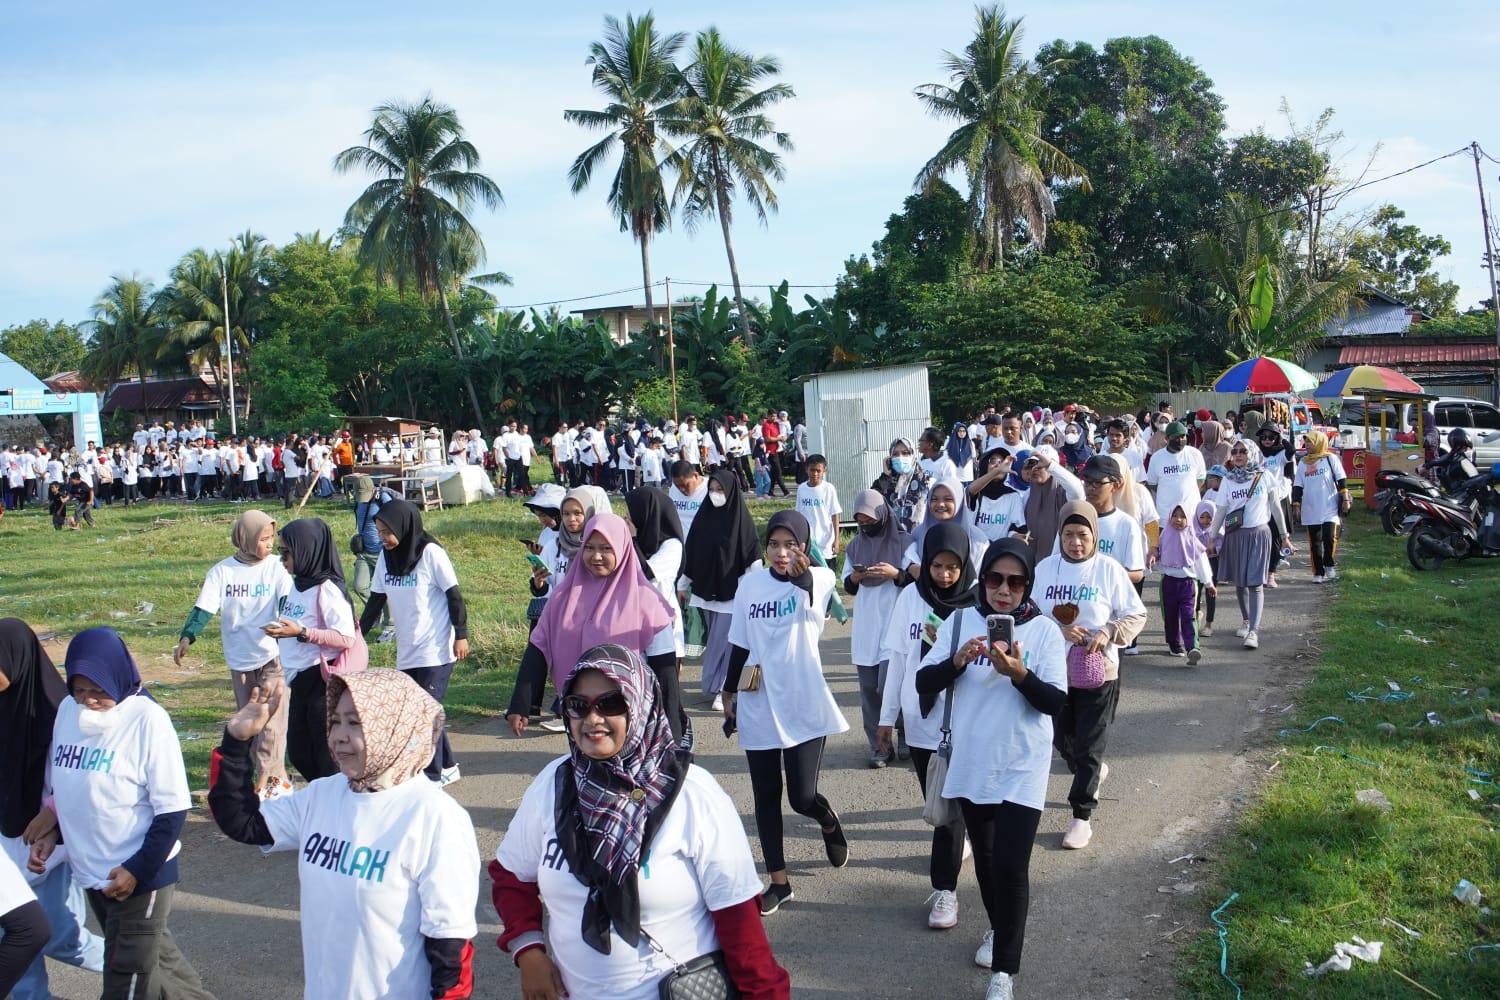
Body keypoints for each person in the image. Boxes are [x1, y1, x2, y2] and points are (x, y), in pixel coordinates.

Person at [492, 645, 790, 999]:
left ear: (641, 705)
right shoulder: (554, 785)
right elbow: (511, 876)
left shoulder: (692, 794)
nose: (592, 719)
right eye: (578, 705)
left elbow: (742, 928)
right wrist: (529, 949)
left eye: (611, 703)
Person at [209, 670, 480, 999]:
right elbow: (241, 820)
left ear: (394, 726)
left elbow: (450, 944)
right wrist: (237, 742)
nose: (338, 735)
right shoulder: (323, 794)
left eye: (355, 722)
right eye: (335, 721)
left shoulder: (436, 817)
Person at [914, 538, 1066, 999]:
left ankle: (1004, 974)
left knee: (1012, 866)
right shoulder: (960, 622)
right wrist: (957, 661)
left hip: (1024, 762)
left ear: (1027, 586)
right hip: (972, 760)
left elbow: (1055, 701)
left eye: (1015, 582)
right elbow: (923, 680)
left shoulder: (1043, 633)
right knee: (985, 859)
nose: (1004, 590)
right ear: (982, 582)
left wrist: (1020, 674)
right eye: (995, 579)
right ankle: (1000, 931)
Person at [26, 628, 215, 1000]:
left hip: (141, 874)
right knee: (161, 970)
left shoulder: (146, 719)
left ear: (117, 675)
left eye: (98, 690)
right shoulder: (67, 712)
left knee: (125, 981)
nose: (89, 701)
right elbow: (68, 789)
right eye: (79, 691)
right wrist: (52, 835)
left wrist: (138, 869)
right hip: (93, 871)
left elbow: (173, 809)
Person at [722, 510, 850, 915]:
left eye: (790, 544)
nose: (781, 553)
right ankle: (779, 881)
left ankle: (828, 821)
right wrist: (729, 693)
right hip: (759, 702)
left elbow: (810, 583)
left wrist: (801, 572)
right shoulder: (750, 585)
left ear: (803, 545)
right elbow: (740, 644)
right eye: (774, 545)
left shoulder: (820, 578)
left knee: (802, 796)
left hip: (803, 703)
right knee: (765, 796)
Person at [877, 522, 976, 931]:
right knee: (938, 804)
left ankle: (945, 892)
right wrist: (886, 720)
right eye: (938, 565)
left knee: (947, 811)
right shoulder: (909, 600)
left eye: (954, 566)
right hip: (919, 721)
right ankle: (956, 842)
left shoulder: (976, 606)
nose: (946, 574)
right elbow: (899, 661)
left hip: (962, 722)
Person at [1031, 502, 1146, 851]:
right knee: (1061, 738)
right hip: (1054, 670)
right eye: (1068, 534)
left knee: (1091, 742)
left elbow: (1136, 614)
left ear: (1094, 535)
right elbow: (1031, 613)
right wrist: (1057, 632)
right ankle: (1090, 768)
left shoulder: (1109, 570)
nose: (1075, 542)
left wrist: (1108, 631)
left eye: (1083, 535)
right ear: (1060, 535)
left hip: (1099, 671)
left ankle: (1081, 815)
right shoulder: (1045, 569)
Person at [506, 512, 681, 740]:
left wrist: (672, 735)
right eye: (589, 548)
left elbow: (665, 673)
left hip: (632, 717)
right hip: (580, 714)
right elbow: (538, 649)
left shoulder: (647, 601)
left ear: (622, 548)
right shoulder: (563, 598)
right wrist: (520, 703)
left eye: (606, 549)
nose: (596, 556)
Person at [1, 619, 105, 999]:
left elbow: (84, 774)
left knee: (62, 939)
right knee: (18, 933)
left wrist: (53, 814)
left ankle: (140, 969)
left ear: (15, 660)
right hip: (9, 840)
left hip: (49, 844)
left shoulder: (61, 711)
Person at [173, 510, 294, 798]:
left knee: (274, 723)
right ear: (246, 539)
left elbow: (288, 600)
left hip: (272, 655)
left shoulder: (276, 567)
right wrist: (188, 636)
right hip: (240, 660)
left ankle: (272, 782)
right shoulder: (222, 572)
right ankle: (262, 777)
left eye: (271, 538)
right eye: (263, 539)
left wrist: (289, 629)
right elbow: (204, 608)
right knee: (251, 722)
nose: (268, 544)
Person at [357, 499, 470, 785]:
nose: (382, 538)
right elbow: (375, 600)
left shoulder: (431, 553)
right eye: (379, 531)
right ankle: (449, 766)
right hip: (408, 648)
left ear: (403, 527)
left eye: (386, 532)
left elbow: (454, 596)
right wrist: (357, 635)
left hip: (436, 648)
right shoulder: (386, 556)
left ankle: (430, 776)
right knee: (420, 710)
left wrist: (462, 635)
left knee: (423, 713)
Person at [264, 518, 358, 782]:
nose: (282, 559)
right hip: (298, 679)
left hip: (321, 679)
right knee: (299, 752)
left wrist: (302, 634)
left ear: (306, 550)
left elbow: (345, 636)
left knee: (325, 755)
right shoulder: (298, 584)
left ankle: (334, 807)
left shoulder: (326, 589)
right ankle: (325, 798)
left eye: (286, 553)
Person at [843, 489, 913, 768]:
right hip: (867, 626)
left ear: (882, 515)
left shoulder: (906, 543)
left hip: (895, 623)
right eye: (860, 520)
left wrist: (895, 574)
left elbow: (916, 579)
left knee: (890, 684)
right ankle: (879, 746)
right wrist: (857, 577)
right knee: (870, 689)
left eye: (870, 519)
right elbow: (847, 583)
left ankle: (905, 729)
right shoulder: (855, 546)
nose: (865, 525)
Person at [683, 470, 761, 708]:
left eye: (720, 490)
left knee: (727, 643)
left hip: (733, 595)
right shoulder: (704, 516)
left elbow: (752, 555)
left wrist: (753, 591)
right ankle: (716, 684)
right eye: (712, 490)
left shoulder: (740, 520)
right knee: (715, 644)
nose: (715, 495)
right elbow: (692, 549)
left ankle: (725, 687)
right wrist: (683, 583)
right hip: (707, 592)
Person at [1208, 439, 1291, 650]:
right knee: (1240, 582)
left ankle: (1254, 631)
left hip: (1258, 534)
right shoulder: (1228, 480)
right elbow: (1221, 510)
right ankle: (1246, 620)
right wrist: (1211, 538)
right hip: (1235, 535)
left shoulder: (1264, 476)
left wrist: (1284, 535)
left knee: (1255, 583)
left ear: (1251, 453)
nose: (1237, 455)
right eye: (1234, 451)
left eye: (1243, 451)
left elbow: (1275, 507)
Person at [1157, 505, 1216, 664]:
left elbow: (1201, 561)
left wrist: (1209, 583)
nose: (1178, 519)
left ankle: (1192, 647)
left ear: (1188, 519)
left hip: (1188, 583)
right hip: (1168, 582)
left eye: (1182, 516)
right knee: (1170, 616)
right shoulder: (1164, 536)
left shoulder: (1191, 538)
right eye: (1174, 515)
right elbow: (1156, 555)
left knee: (1189, 615)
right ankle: (1174, 644)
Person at [1293, 431, 1350, 583]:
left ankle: (1329, 564)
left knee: (1329, 537)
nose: (1307, 445)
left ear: (1319, 442)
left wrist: (1345, 499)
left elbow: (1341, 479)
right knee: (1315, 542)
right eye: (1306, 442)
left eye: (1310, 442)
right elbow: (1298, 486)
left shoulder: (1330, 459)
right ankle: (1318, 572)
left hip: (1329, 506)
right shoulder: (1303, 463)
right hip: (1310, 507)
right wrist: (1296, 505)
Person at [871, 437, 930, 533]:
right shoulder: (887, 481)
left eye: (905, 453)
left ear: (913, 454)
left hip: (919, 540)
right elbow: (870, 502)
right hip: (891, 541)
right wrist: (885, 476)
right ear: (890, 458)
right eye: (895, 454)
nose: (900, 457)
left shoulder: (926, 481)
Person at [795, 454, 841, 562]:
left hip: (826, 541)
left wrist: (836, 540)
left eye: (818, 470)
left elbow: (835, 514)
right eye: (812, 470)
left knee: (827, 573)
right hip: (808, 540)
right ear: (806, 470)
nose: (815, 474)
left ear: (824, 470)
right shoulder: (802, 489)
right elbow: (798, 514)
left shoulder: (828, 489)